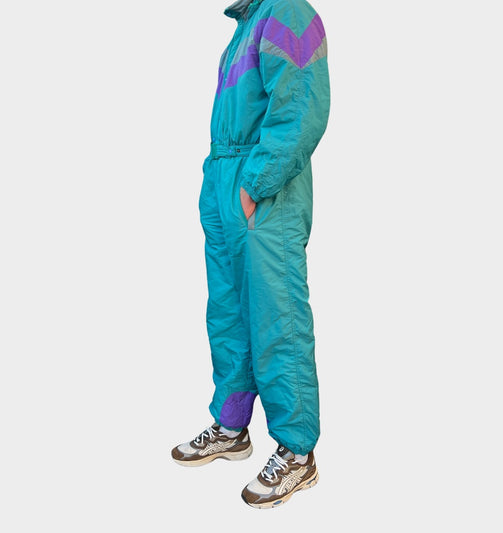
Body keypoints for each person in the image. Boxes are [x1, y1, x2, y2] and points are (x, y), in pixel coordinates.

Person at [171, 0, 330, 509]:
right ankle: (232, 425)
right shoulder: (244, 29)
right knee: (228, 313)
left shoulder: (287, 12)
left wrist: (256, 181)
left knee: (276, 316)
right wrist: (219, 182)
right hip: (223, 178)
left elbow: (301, 107)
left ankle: (297, 452)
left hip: (265, 191)